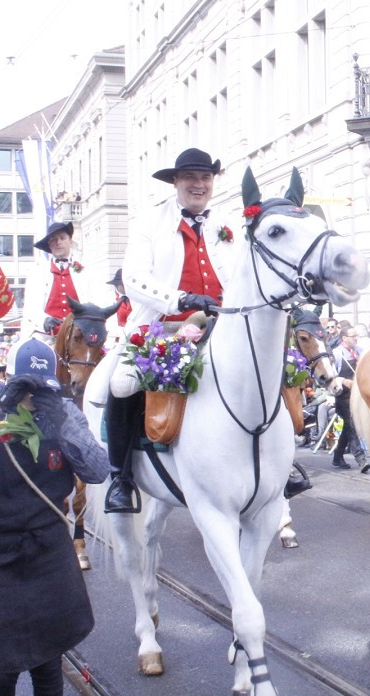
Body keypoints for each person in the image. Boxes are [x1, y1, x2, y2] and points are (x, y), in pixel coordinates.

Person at [0, 339, 109, 696]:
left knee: (48, 660)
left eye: (42, 387)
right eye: (27, 386)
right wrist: (0, 403)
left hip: (47, 550)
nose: (34, 396)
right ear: (7, 375)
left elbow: (97, 469)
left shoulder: (62, 411)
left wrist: (60, 419)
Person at [104, 147, 235, 513]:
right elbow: (133, 277)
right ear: (175, 182)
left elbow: (240, 272)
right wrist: (182, 300)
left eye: (206, 178)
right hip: (163, 325)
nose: (199, 185)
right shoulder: (150, 222)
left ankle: (279, 464)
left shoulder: (226, 223)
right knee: (121, 384)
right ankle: (121, 477)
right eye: (191, 177)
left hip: (225, 325)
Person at [20, 221, 101, 343]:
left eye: (62, 238)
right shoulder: (37, 273)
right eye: (53, 239)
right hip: (45, 336)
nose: (58, 242)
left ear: (70, 241)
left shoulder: (87, 270)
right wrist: (45, 320)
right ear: (49, 245)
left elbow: (97, 301)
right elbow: (30, 308)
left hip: (80, 336)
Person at [331, 326, 369, 472]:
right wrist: (342, 380)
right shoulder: (337, 353)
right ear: (344, 338)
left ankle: (337, 457)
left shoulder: (359, 351)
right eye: (353, 336)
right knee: (352, 425)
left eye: (356, 336)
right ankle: (361, 459)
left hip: (358, 394)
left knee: (348, 427)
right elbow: (331, 375)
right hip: (344, 396)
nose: (356, 338)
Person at [105, 268, 132, 347]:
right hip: (115, 340)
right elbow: (108, 325)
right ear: (117, 284)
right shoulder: (108, 299)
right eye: (124, 285)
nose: (127, 287)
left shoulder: (136, 298)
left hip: (135, 339)